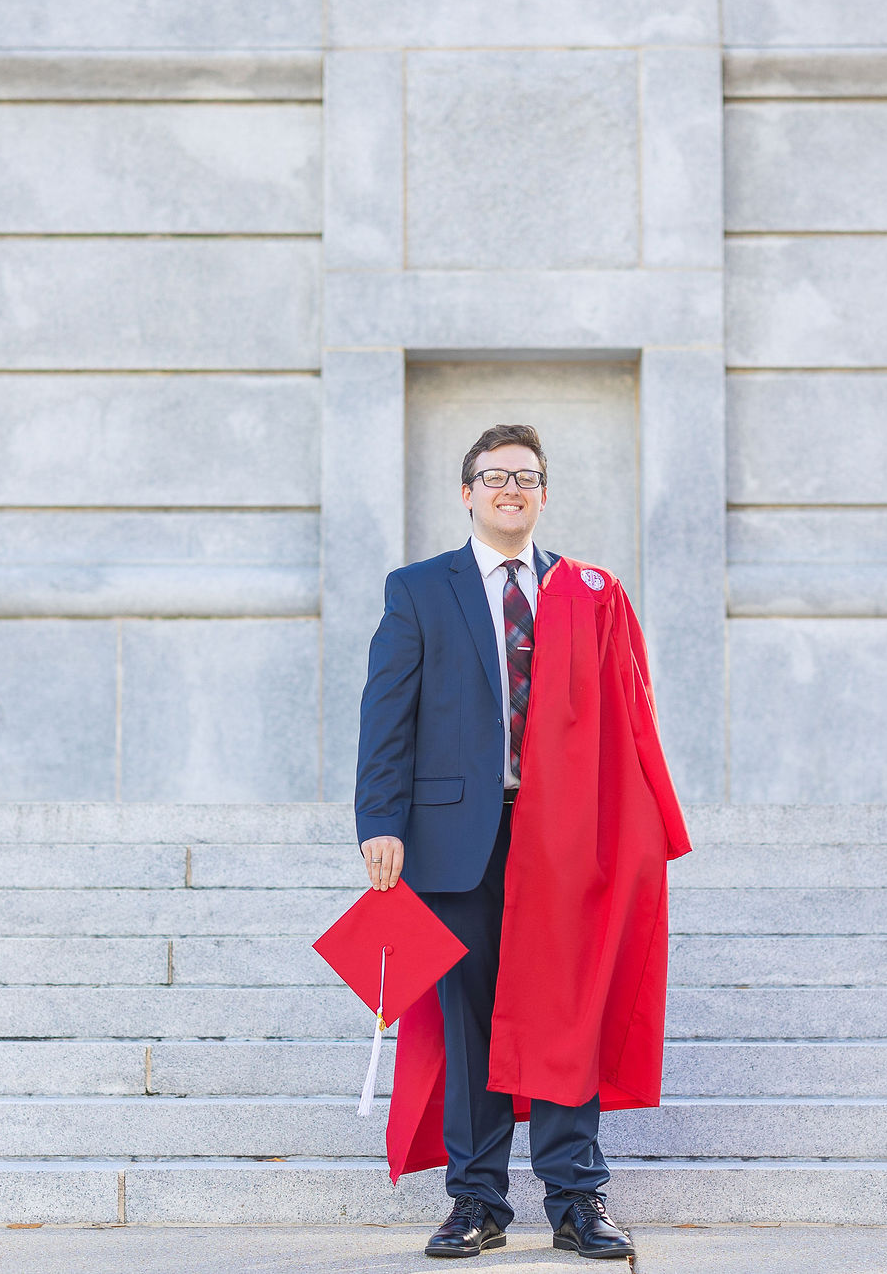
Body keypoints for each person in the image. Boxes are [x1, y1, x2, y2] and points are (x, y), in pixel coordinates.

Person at [354, 423, 636, 1260]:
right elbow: (386, 716)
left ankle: (577, 1199)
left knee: (564, 1018)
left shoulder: (586, 592)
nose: (510, 487)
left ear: (544, 494)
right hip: (453, 837)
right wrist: (379, 822)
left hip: (560, 839)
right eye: (493, 475)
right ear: (467, 492)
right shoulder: (418, 589)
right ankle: (476, 1201)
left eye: (527, 475)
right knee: (468, 1022)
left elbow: (620, 719)